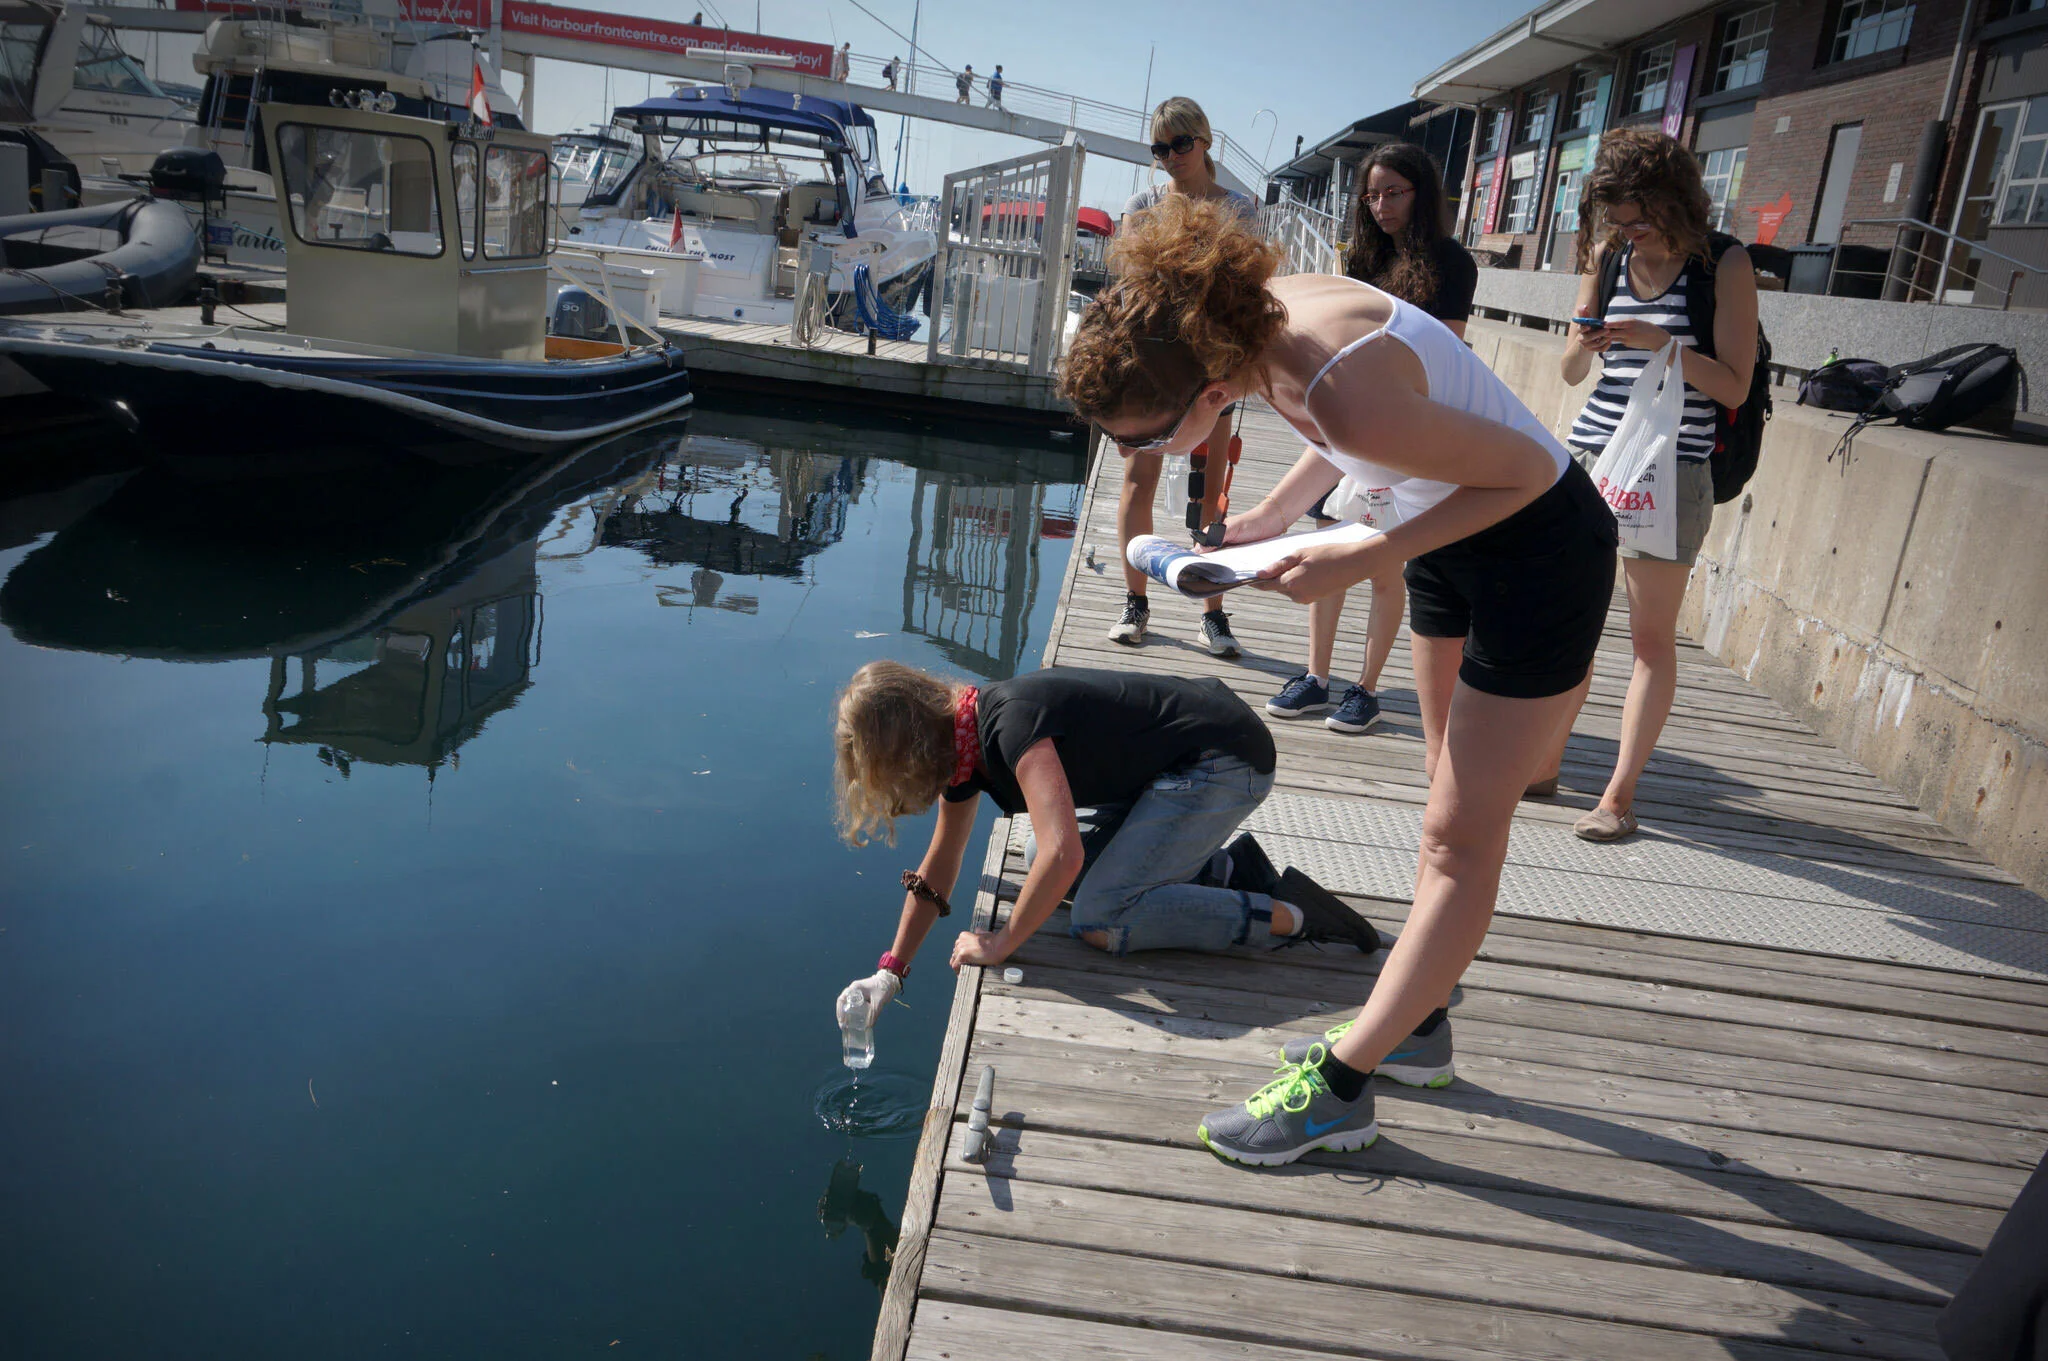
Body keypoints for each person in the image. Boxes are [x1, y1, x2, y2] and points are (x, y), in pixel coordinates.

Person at [1063, 196, 1617, 1167]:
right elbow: (1347, 437)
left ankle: (1341, 1088)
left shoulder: (1329, 374)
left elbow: (1529, 468)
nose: (1138, 456)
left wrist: (1356, 558)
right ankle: (1420, 1021)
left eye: (1141, 436)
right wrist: (1268, 521)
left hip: (1537, 551)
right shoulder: (1252, 321)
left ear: (1201, 385)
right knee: (1442, 807)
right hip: (1447, 524)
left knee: (1458, 836)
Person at [832, 661, 1376, 1037]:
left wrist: (1000, 945)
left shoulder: (1011, 726)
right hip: (1174, 767)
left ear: (910, 749)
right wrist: (889, 972)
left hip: (1223, 761)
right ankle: (1231, 870)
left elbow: (1065, 855)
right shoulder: (966, 739)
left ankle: (1295, 917)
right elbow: (941, 864)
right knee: (1031, 851)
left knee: (1099, 918)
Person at [1532, 128, 1757, 841]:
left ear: (1677, 201)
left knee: (1649, 639)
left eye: (1641, 216)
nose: (1631, 232)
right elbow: (1571, 373)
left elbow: (1735, 385)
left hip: (1674, 463)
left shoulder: (1723, 262)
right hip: (1596, 455)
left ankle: (1618, 795)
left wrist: (1660, 344)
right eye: (1620, 219)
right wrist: (1585, 336)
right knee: (1570, 620)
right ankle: (1544, 763)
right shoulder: (1608, 256)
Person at [1268, 142, 1477, 736]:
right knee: (1328, 544)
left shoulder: (1452, 262)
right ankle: (1316, 676)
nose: (1381, 205)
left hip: (1407, 428)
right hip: (1348, 423)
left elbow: (1447, 349)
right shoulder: (1360, 256)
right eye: (1373, 195)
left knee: (1386, 566)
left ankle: (1366, 687)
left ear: (1422, 194)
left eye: (1394, 193)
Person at [1110, 96, 1262, 659]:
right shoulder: (1142, 205)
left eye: (1181, 143)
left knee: (1212, 489)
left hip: (1212, 362)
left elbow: (1246, 289)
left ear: (1205, 141)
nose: (1171, 156)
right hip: (1152, 364)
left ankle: (1213, 614)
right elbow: (1128, 285)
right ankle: (1136, 603)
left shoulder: (1238, 209)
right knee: (1137, 483)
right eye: (1160, 147)